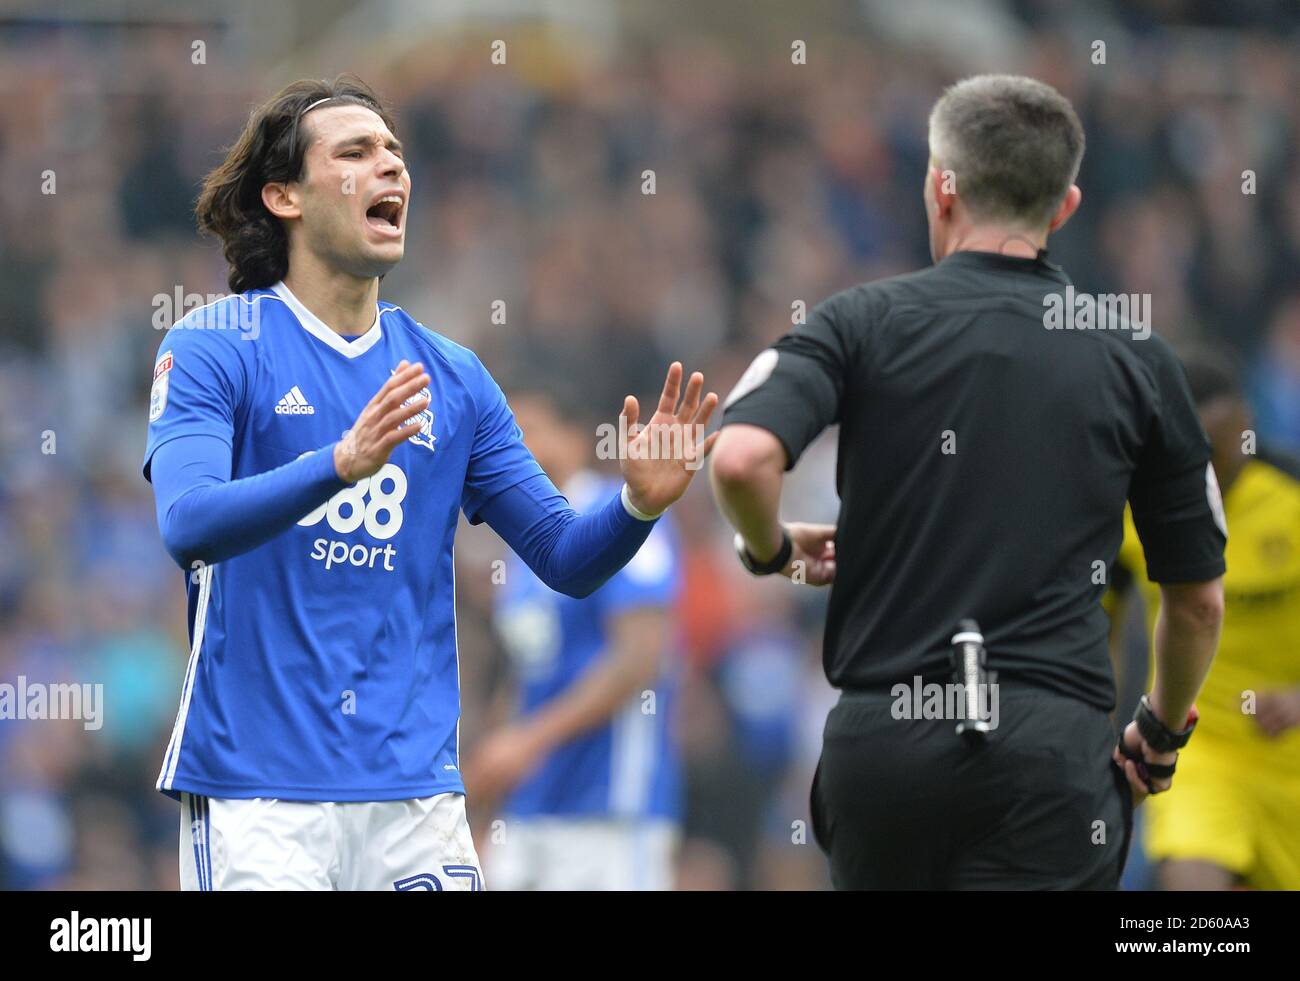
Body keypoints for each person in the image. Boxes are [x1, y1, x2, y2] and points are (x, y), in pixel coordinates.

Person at [142, 75, 717, 891]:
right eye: (356, 152)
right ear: (284, 196)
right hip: (259, 792)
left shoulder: (454, 376)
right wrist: (337, 465)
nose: (391, 169)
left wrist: (636, 507)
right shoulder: (216, 344)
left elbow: (562, 555)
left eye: (396, 153)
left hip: (415, 800)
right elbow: (188, 523)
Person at [709, 74, 1225, 889]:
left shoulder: (858, 320)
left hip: (887, 745)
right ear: (1066, 206)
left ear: (940, 186)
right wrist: (1158, 730)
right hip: (1051, 754)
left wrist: (768, 550)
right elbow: (1197, 599)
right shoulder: (1136, 355)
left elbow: (739, 457)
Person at [469, 389, 683, 890]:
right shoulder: (526, 550)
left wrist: (529, 741)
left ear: (575, 438)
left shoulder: (621, 518)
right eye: (512, 435)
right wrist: (490, 775)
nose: (521, 447)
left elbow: (641, 659)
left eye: (533, 431)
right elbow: (528, 673)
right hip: (531, 808)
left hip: (608, 808)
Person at [1109, 343, 1300, 891]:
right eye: (1201, 453)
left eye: (1223, 448)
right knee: (1193, 901)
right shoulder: (1132, 511)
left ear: (1247, 422)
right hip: (1199, 749)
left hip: (1288, 756)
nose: (1212, 469)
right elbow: (1095, 629)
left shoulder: (1288, 494)